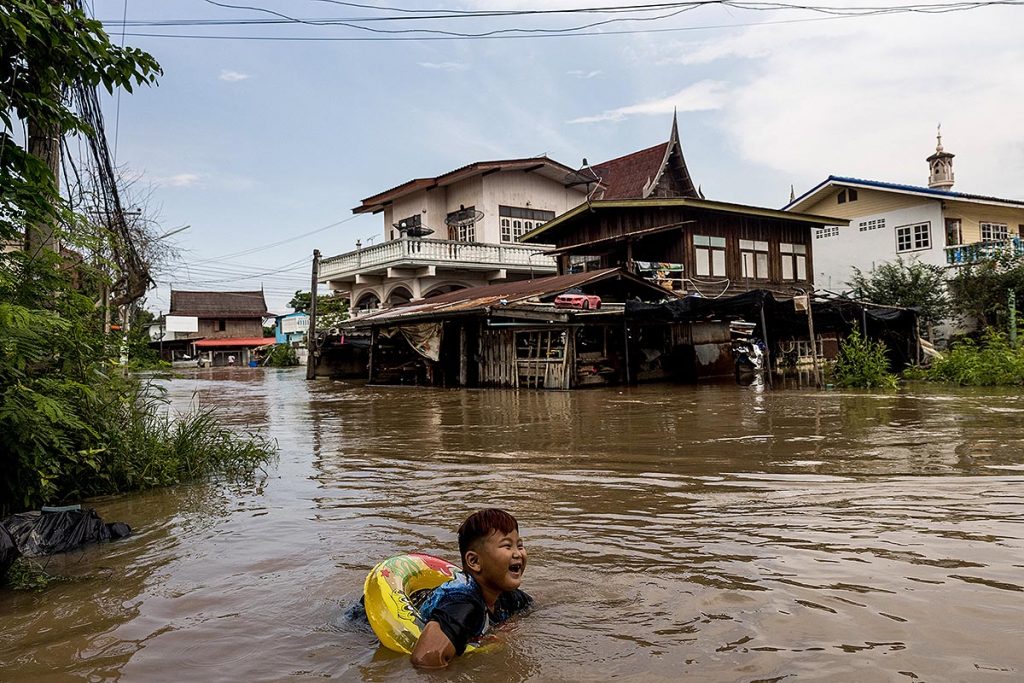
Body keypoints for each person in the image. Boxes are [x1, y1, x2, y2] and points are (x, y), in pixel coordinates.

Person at [410, 508, 532, 668]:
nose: (518, 554)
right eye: (507, 546)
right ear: (474, 561)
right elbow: (425, 659)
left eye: (520, 545)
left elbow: (533, 609)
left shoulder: (506, 596)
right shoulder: (464, 604)